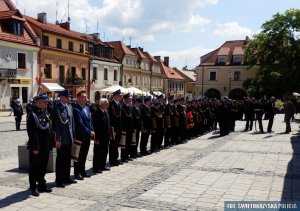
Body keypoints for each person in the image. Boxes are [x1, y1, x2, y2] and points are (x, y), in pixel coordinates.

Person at [26, 93, 52, 197]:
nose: (47, 103)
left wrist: (50, 144)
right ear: (39, 102)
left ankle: (42, 185)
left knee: (43, 166)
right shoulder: (32, 114)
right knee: (34, 168)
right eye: (45, 102)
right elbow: (32, 132)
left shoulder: (44, 112)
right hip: (37, 146)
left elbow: (47, 130)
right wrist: (35, 147)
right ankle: (33, 187)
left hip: (45, 145)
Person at [52, 90, 76, 187]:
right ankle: (59, 179)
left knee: (67, 159)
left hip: (69, 138)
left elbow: (72, 123)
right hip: (61, 139)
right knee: (60, 160)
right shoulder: (56, 108)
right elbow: (55, 125)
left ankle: (67, 177)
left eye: (69, 97)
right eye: (67, 97)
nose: (69, 98)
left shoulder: (69, 107)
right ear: (61, 97)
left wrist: (74, 136)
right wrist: (57, 139)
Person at [73, 91, 94, 180]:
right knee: (78, 156)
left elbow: (90, 121)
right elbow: (80, 124)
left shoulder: (87, 107)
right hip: (80, 135)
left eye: (85, 97)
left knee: (84, 154)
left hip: (87, 136)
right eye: (83, 97)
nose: (85, 98)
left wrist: (92, 130)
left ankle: (83, 171)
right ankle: (77, 173)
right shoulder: (75, 109)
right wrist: (89, 131)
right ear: (78, 98)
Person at [92, 98, 111, 173]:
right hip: (99, 137)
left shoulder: (106, 111)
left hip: (106, 136)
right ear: (102, 104)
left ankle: (102, 166)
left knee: (104, 152)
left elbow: (108, 124)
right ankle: (96, 168)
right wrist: (95, 138)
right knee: (98, 153)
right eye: (107, 103)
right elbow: (95, 127)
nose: (108, 104)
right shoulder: (96, 113)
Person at [108, 89, 122, 166]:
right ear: (115, 96)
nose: (120, 97)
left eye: (120, 96)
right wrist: (112, 129)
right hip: (113, 128)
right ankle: (112, 160)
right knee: (113, 145)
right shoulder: (111, 104)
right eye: (119, 96)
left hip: (119, 128)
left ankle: (115, 158)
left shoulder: (119, 104)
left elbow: (120, 118)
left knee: (116, 144)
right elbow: (110, 118)